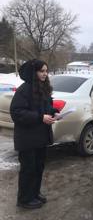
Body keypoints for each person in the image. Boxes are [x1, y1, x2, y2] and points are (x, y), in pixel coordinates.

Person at [10, 59, 59, 209]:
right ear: (34, 72)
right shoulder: (24, 89)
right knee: (28, 169)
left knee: (38, 167)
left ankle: (34, 193)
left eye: (46, 71)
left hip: (40, 137)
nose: (45, 74)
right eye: (41, 71)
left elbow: (45, 107)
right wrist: (40, 117)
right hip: (27, 138)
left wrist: (53, 112)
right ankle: (24, 199)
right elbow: (17, 112)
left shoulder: (42, 88)